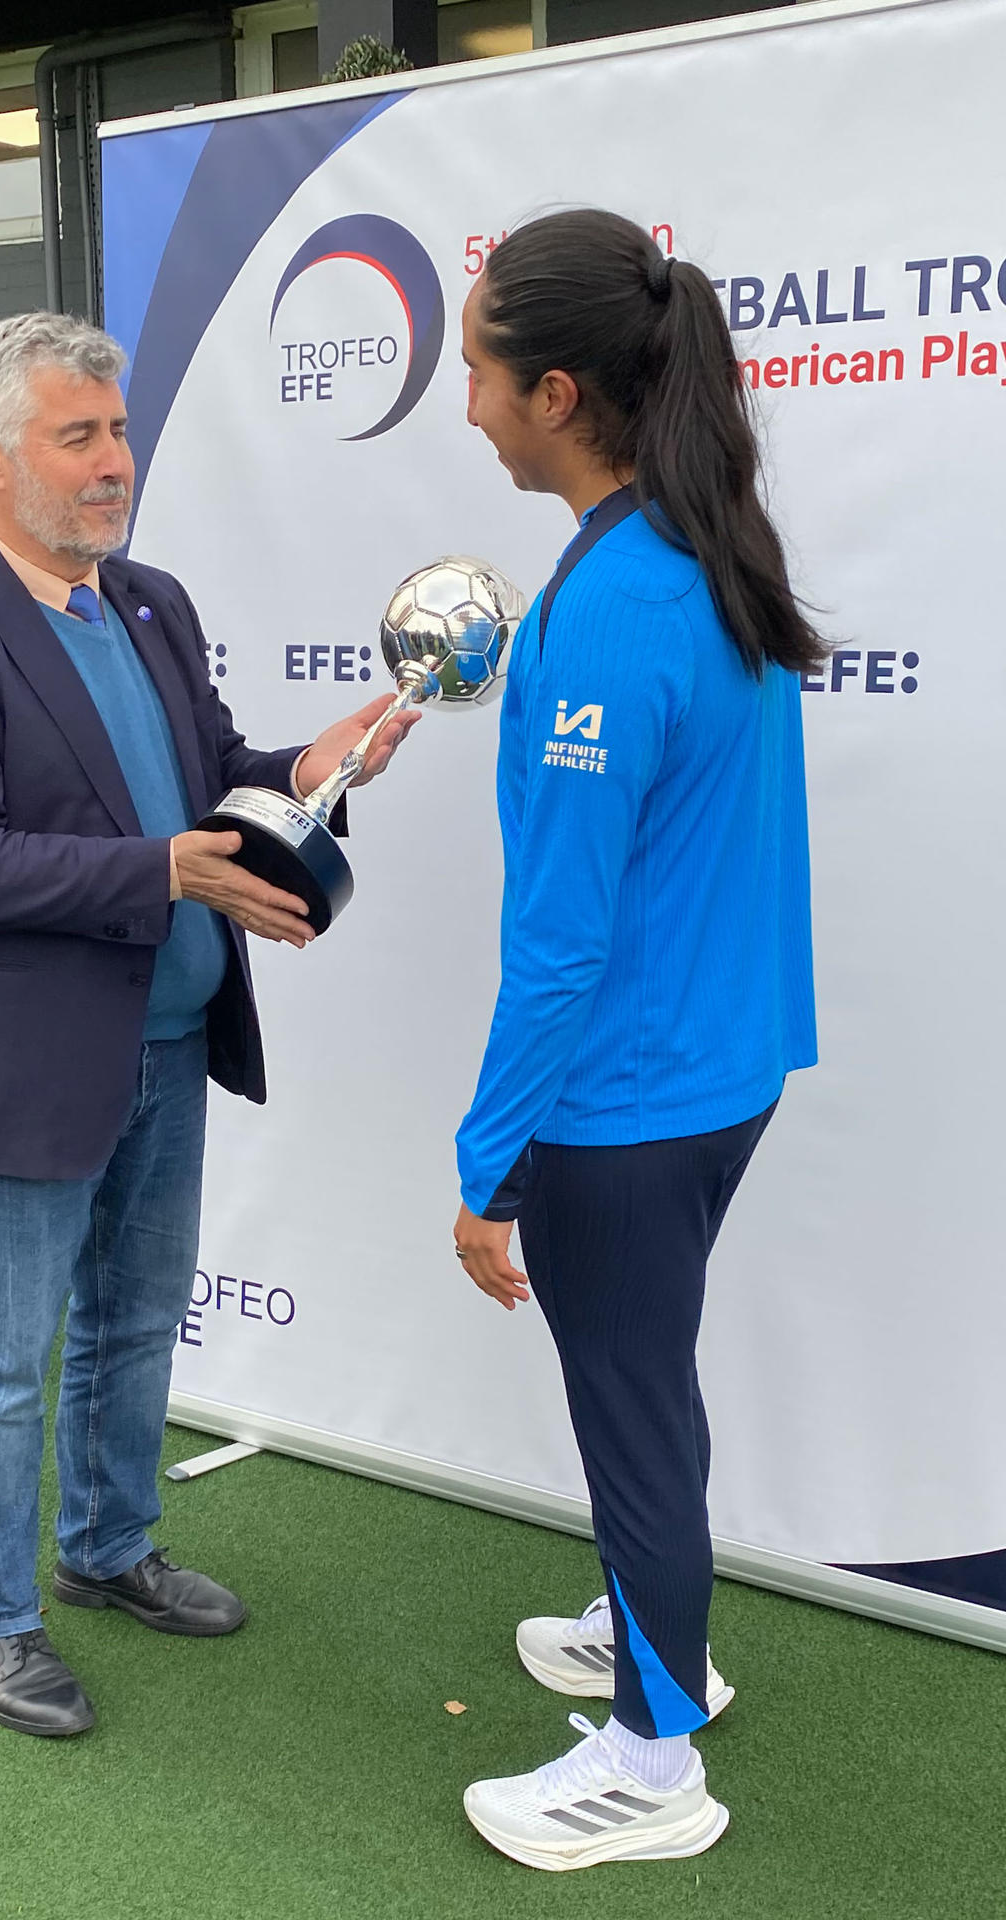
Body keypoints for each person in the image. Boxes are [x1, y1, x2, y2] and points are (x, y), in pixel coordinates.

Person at [0, 312, 416, 1739]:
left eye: (119, 431)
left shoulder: (149, 601)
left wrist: (310, 761)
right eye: (79, 436)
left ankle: (108, 1550)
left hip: (168, 1046)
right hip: (12, 1075)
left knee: (137, 1326)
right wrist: (166, 866)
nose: (116, 463)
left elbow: (210, 771)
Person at [451, 212, 819, 1870]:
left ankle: (655, 1764)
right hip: (718, 1077)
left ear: (558, 391)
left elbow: (564, 941)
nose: (462, 401)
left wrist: (487, 1164)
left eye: (475, 370)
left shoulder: (622, 600)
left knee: (631, 1412)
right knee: (644, 1393)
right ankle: (645, 1630)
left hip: (633, 1103)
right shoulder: (691, 548)